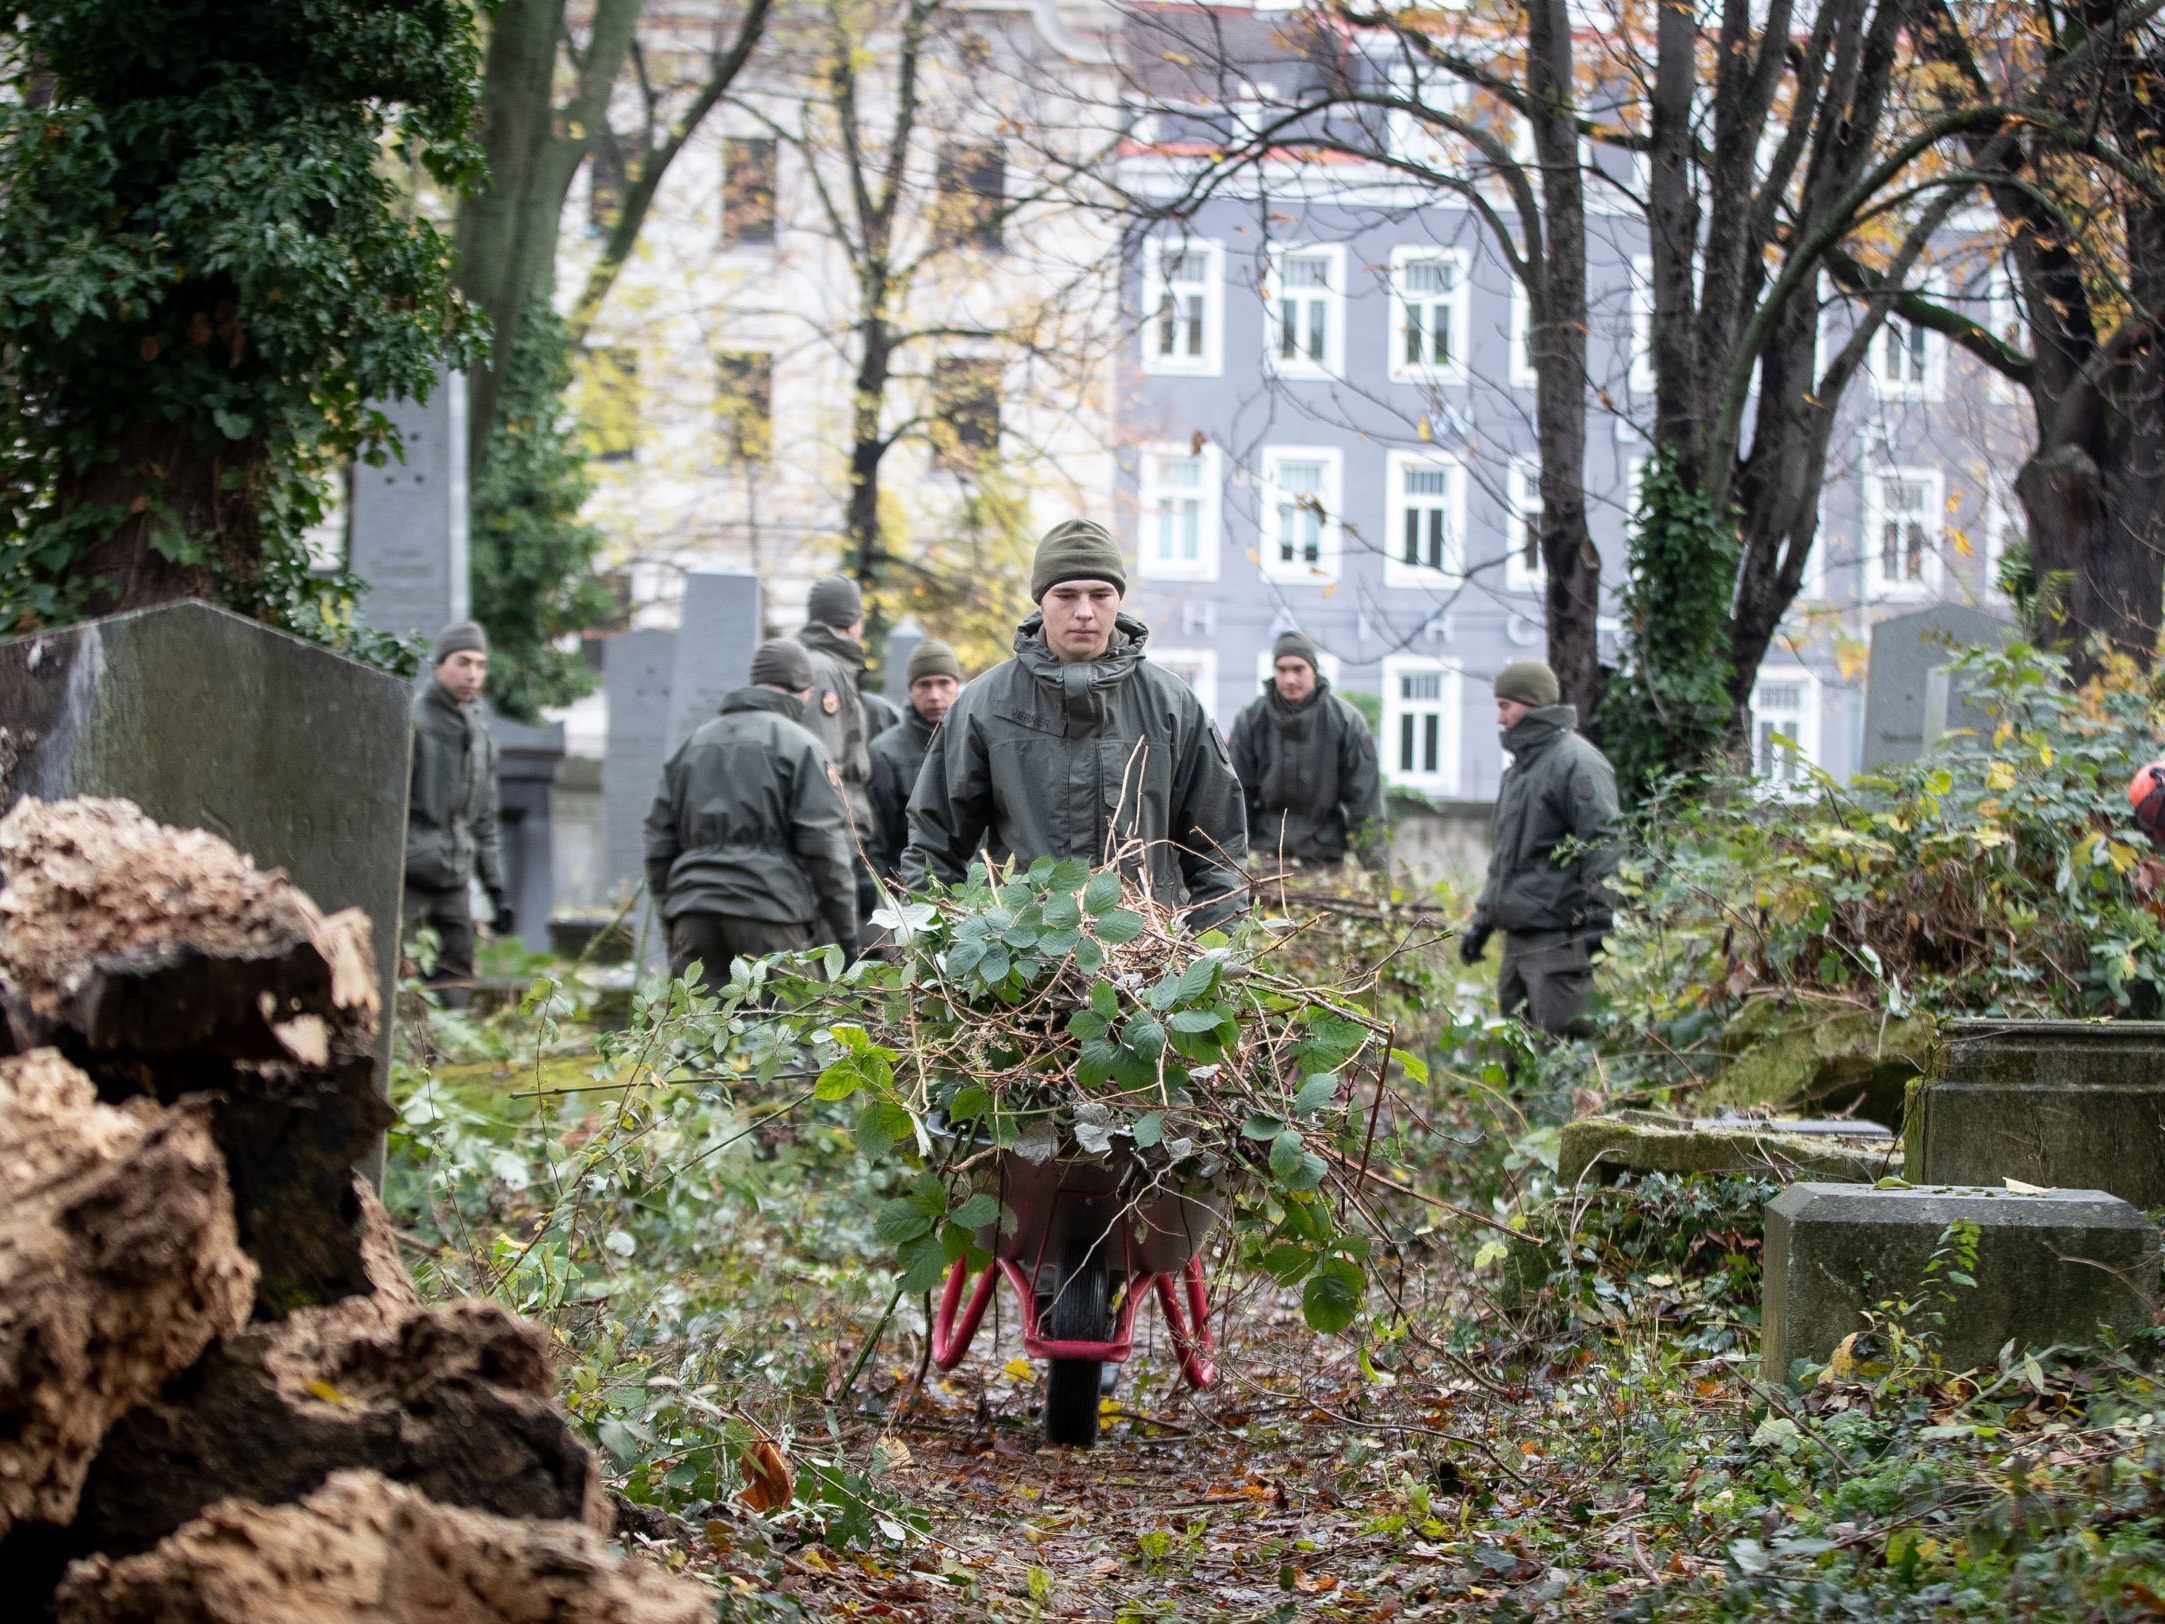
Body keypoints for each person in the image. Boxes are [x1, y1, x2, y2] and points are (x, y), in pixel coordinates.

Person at [901, 519, 1247, 929]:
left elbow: (1218, 848)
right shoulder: (985, 705)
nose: (1084, 612)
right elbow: (933, 843)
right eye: (1066, 595)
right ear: (1041, 601)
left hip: (1149, 961)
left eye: (1100, 595)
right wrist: (945, 946)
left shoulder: (1173, 706)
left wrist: (1210, 950)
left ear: (1118, 600)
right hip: (1019, 964)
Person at [643, 638, 860, 989]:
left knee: (696, 1037)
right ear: (804, 691)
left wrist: (674, 912)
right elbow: (825, 848)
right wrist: (847, 935)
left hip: (694, 912)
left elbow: (658, 841)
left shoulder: (693, 744)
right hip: (770, 912)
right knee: (789, 1037)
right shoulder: (802, 745)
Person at [1458, 659, 1620, 1038]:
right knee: (1517, 1054)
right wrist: (1482, 921)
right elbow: (1506, 860)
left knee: (1560, 1053)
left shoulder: (1577, 763)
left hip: (1559, 941)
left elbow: (1603, 840)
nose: (1499, 719)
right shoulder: (1519, 772)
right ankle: (1518, 1103)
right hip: (1518, 940)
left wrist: (1600, 916)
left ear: (1530, 703)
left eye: (1504, 706)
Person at [404, 620, 508, 1006]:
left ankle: (443, 1058)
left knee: (458, 971)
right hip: (410, 871)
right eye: (463, 662)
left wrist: (496, 887)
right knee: (404, 966)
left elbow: (485, 818)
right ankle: (411, 1055)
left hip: (455, 874)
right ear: (439, 665)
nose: (472, 674)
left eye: (481, 665)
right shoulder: (414, 721)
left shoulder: (479, 733)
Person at [1227, 629, 1386, 870]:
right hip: (1264, 858)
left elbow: (1365, 805)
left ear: (1314, 670)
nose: (1289, 679)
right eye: (1282, 670)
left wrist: (1376, 873)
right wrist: (1232, 863)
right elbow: (1236, 799)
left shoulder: (1346, 723)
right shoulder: (1251, 721)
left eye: (1298, 669)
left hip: (1325, 860)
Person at [867, 637, 962, 881]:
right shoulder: (885, 753)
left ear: (957, 686)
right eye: (924, 685)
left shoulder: (977, 743)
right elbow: (876, 841)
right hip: (911, 890)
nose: (935, 695)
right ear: (911, 690)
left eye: (944, 683)